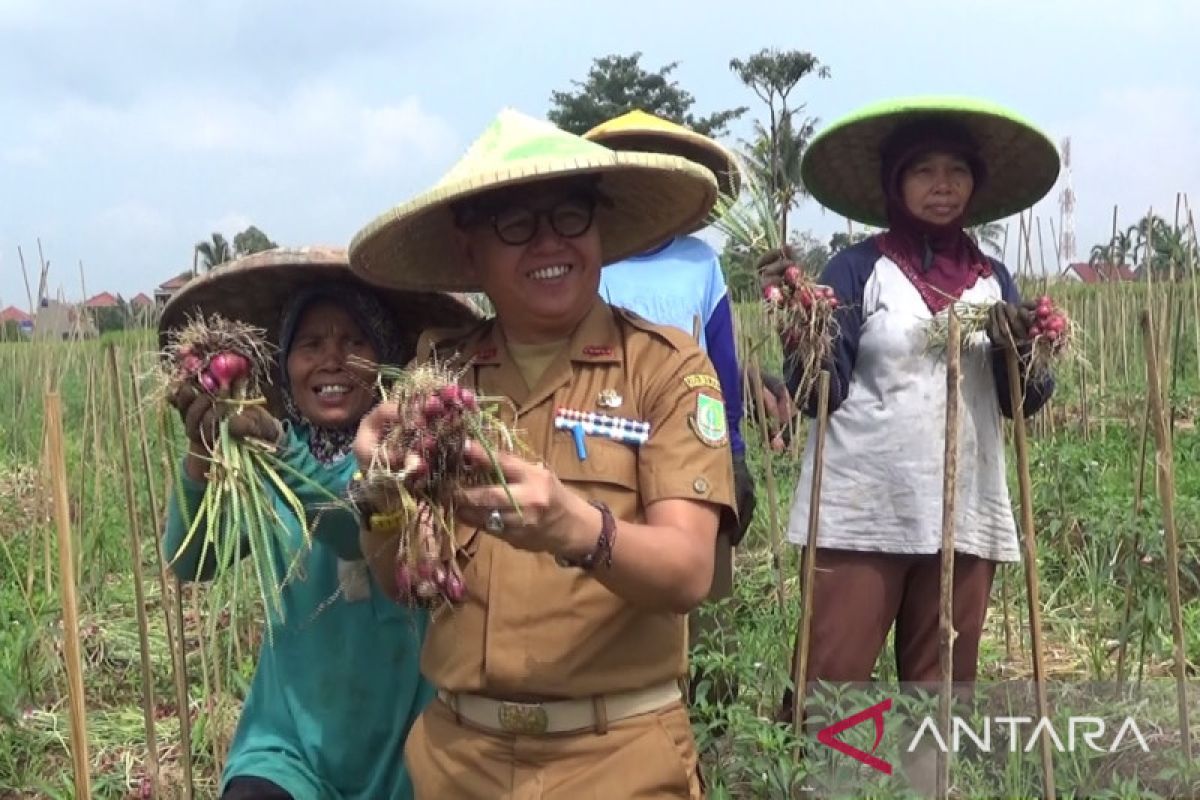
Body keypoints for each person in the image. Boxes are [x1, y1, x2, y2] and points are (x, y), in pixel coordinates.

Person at [346, 109, 737, 799]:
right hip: (458, 760)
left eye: (570, 217)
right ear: (469, 253)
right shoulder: (439, 384)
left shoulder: (668, 371)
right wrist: (378, 495)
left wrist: (577, 528)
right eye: (516, 225)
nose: (550, 243)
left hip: (620, 761)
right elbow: (399, 579)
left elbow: (688, 572)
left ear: (600, 229)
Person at [761, 97, 1061, 720]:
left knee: (939, 696)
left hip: (965, 512)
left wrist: (1026, 347)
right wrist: (802, 324)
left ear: (975, 183)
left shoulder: (994, 282)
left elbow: (1020, 403)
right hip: (863, 512)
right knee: (831, 695)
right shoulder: (856, 270)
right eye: (923, 170)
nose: (942, 185)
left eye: (956, 170)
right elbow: (824, 391)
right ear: (896, 182)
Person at [159, 247, 479, 800]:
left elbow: (354, 527)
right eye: (310, 345)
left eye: (355, 342)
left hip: (405, 750)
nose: (332, 360)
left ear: (386, 360)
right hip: (287, 750)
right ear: (285, 367)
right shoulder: (263, 465)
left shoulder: (421, 463)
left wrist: (283, 450)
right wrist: (200, 455)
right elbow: (189, 559)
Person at [581, 108, 754, 705]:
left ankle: (710, 719)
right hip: (605, 445)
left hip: (694, 452)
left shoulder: (701, 262)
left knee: (702, 594)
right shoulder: (591, 264)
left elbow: (722, 366)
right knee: (619, 577)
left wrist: (734, 454)